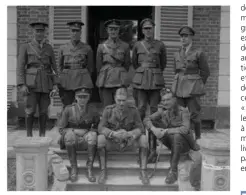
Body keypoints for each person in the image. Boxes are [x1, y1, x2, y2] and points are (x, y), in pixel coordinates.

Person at [143, 88, 201, 189]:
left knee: (177, 136)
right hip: (172, 141)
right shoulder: (162, 111)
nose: (165, 102)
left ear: (174, 99)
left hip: (185, 143)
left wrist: (166, 131)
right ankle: (153, 153)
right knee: (153, 124)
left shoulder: (184, 111)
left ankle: (173, 171)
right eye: (163, 100)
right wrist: (154, 129)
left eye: (168, 99)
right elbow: (146, 119)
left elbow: (185, 129)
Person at [97, 88, 149, 185]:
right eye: (119, 100)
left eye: (124, 100)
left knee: (144, 139)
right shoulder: (108, 110)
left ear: (127, 99)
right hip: (113, 142)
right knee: (100, 139)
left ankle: (143, 171)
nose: (121, 103)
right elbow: (100, 127)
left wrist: (129, 134)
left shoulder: (133, 110)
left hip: (129, 142)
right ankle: (103, 171)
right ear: (114, 98)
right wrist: (113, 133)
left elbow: (141, 128)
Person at [132, 18, 167, 163]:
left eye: (150, 28)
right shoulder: (137, 45)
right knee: (140, 109)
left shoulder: (160, 45)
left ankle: (153, 145)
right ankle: (140, 141)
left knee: (154, 111)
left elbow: (163, 64)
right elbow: (134, 63)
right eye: (145, 28)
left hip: (155, 81)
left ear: (154, 29)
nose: (148, 31)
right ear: (142, 30)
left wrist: (153, 73)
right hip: (140, 81)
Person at [17, 22, 58, 137]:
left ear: (45, 33)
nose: (39, 33)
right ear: (33, 32)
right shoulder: (26, 46)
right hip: (31, 84)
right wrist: (22, 84)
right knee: (30, 110)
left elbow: (53, 67)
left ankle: (42, 135)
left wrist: (55, 84)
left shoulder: (49, 48)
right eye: (37, 31)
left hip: (45, 83)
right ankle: (29, 136)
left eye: (41, 31)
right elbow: (20, 67)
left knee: (44, 111)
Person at [171, 26, 210, 140]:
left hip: (193, 88)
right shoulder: (177, 54)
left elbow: (205, 72)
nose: (183, 39)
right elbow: (176, 71)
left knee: (194, 114)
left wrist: (197, 84)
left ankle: (197, 138)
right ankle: (183, 138)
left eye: (186, 36)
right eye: (181, 36)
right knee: (180, 114)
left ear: (191, 37)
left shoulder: (198, 53)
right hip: (179, 88)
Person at [57, 88, 100, 182]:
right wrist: (73, 130)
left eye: (85, 97)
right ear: (76, 97)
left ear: (88, 98)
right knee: (69, 135)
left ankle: (89, 168)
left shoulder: (92, 110)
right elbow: (61, 129)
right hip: (72, 139)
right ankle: (74, 168)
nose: (82, 99)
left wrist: (89, 131)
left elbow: (98, 126)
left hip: (86, 138)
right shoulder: (68, 109)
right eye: (80, 97)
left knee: (93, 136)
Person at [57, 21, 94, 109]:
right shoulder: (63, 48)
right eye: (73, 31)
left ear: (80, 32)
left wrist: (84, 76)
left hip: (82, 80)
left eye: (77, 31)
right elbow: (60, 66)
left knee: (82, 105)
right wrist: (61, 79)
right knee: (67, 105)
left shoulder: (87, 48)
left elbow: (90, 67)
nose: (75, 33)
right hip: (67, 80)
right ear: (69, 32)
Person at [96, 19, 131, 107]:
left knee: (120, 104)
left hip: (120, 79)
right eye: (111, 29)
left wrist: (120, 71)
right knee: (107, 106)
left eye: (115, 29)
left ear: (119, 30)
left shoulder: (125, 46)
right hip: (106, 79)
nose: (113, 31)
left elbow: (127, 64)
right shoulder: (101, 46)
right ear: (107, 30)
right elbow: (99, 66)